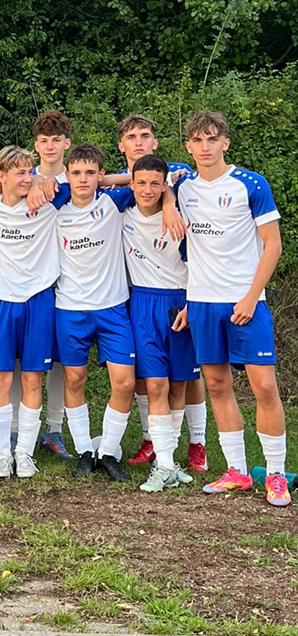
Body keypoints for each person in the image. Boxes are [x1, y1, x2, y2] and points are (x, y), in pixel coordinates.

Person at [178, 110, 289, 507]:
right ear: (188, 146)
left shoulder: (250, 183)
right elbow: (138, 173)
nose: (205, 147)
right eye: (197, 140)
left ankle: (276, 475)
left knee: (264, 387)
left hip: (245, 302)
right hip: (202, 303)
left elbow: (273, 245)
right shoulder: (182, 186)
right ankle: (237, 471)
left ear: (225, 142)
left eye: (212, 139)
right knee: (218, 386)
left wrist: (251, 296)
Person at [54, 144, 175, 483]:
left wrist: (169, 205)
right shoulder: (54, 205)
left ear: (101, 176)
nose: (83, 179)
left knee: (124, 382)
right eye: (76, 173)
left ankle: (107, 451)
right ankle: (84, 451)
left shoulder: (114, 200)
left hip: (113, 308)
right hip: (70, 308)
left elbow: (159, 182)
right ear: (67, 175)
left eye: (90, 173)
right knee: (74, 379)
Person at [115, 114, 207, 472]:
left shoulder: (179, 179)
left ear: (155, 141)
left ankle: (196, 443)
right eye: (131, 136)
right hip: (139, 296)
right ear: (121, 144)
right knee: (149, 378)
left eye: (145, 135)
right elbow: (86, 187)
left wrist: (169, 202)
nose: (139, 142)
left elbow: (176, 179)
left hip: (180, 295)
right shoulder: (120, 195)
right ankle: (154, 442)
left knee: (186, 377)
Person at [0, 146, 70, 478]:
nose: (27, 177)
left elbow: (92, 180)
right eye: (19, 172)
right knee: (0, 378)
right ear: (1, 176)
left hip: (38, 301)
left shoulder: (49, 202)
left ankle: (25, 453)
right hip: (1, 302)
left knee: (33, 379)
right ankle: (3, 455)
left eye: (29, 171)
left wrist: (39, 181)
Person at [29, 110, 73, 461]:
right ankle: (18, 427)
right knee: (22, 359)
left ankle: (54, 429)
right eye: (44, 141)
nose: (50, 146)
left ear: (66, 143)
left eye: (56, 140)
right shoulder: (22, 176)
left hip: (70, 280)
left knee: (59, 359)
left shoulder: (79, 177)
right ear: (36, 145)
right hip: (30, 281)